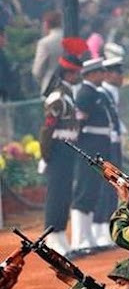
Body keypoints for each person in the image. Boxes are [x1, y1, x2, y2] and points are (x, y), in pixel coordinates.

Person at [38, 39, 84, 255]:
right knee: (56, 194)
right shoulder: (58, 97)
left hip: (67, 150)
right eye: (75, 73)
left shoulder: (68, 95)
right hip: (57, 150)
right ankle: (52, 236)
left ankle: (60, 233)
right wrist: (45, 155)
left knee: (64, 194)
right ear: (68, 74)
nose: (78, 77)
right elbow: (47, 129)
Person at [71, 57, 111, 252]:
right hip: (89, 146)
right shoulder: (85, 94)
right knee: (84, 191)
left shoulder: (95, 93)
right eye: (100, 71)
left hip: (98, 146)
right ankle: (79, 239)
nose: (104, 75)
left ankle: (88, 237)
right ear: (91, 74)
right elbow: (79, 123)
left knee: (93, 191)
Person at [94, 55, 125, 247]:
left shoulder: (111, 93)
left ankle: (108, 227)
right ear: (107, 74)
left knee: (113, 185)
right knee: (106, 186)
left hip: (114, 142)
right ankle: (101, 228)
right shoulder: (101, 93)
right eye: (116, 73)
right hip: (106, 145)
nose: (120, 76)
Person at [32, 9, 63, 95]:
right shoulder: (69, 37)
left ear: (46, 24)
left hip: (50, 84)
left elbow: (37, 70)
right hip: (70, 84)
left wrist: (41, 79)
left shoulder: (45, 43)